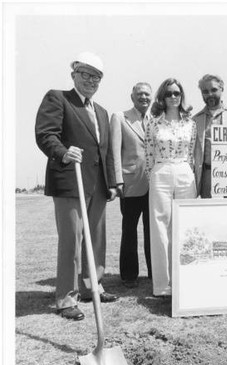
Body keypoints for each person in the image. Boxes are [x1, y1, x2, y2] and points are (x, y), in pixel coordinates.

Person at [35, 51, 118, 321]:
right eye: (85, 75)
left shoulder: (102, 112)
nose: (91, 81)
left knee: (95, 239)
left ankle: (92, 286)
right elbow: (46, 134)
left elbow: (105, 152)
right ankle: (66, 298)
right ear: (73, 75)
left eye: (96, 77)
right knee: (72, 239)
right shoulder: (58, 98)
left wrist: (113, 182)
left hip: (98, 185)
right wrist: (62, 152)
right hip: (70, 181)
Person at [145, 78, 197, 296]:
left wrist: (188, 172)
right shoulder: (154, 123)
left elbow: (192, 153)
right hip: (161, 171)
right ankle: (162, 285)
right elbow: (148, 155)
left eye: (177, 93)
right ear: (162, 98)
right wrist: (153, 176)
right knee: (160, 227)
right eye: (169, 94)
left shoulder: (190, 124)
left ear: (182, 96)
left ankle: (186, 279)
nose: (173, 97)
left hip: (185, 171)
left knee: (186, 225)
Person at [110, 82, 153, 288]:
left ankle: (155, 272)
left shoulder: (156, 120)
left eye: (147, 94)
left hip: (153, 185)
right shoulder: (120, 117)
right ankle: (128, 275)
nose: (144, 97)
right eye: (140, 94)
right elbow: (114, 152)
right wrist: (117, 180)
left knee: (152, 231)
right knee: (129, 231)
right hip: (130, 184)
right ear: (132, 96)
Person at [193, 74, 227, 198]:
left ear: (222, 89)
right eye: (205, 92)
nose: (210, 95)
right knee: (210, 214)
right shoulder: (196, 120)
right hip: (207, 175)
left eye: (213, 90)